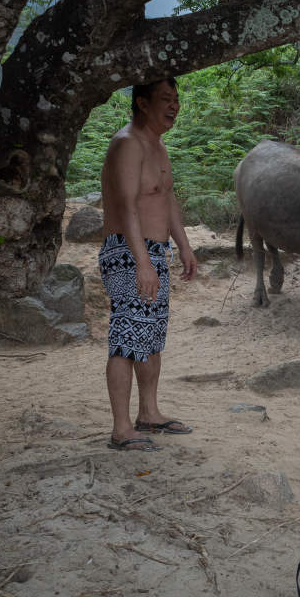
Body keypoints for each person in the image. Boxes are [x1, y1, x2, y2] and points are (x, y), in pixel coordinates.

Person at [98, 78, 197, 451]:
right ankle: (121, 429)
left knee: (151, 336)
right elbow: (126, 206)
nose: (174, 106)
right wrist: (141, 262)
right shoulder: (127, 144)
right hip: (126, 251)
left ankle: (149, 414)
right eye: (165, 99)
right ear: (141, 103)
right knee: (126, 339)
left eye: (176, 99)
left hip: (153, 252)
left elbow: (167, 200)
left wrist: (184, 247)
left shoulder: (157, 146)